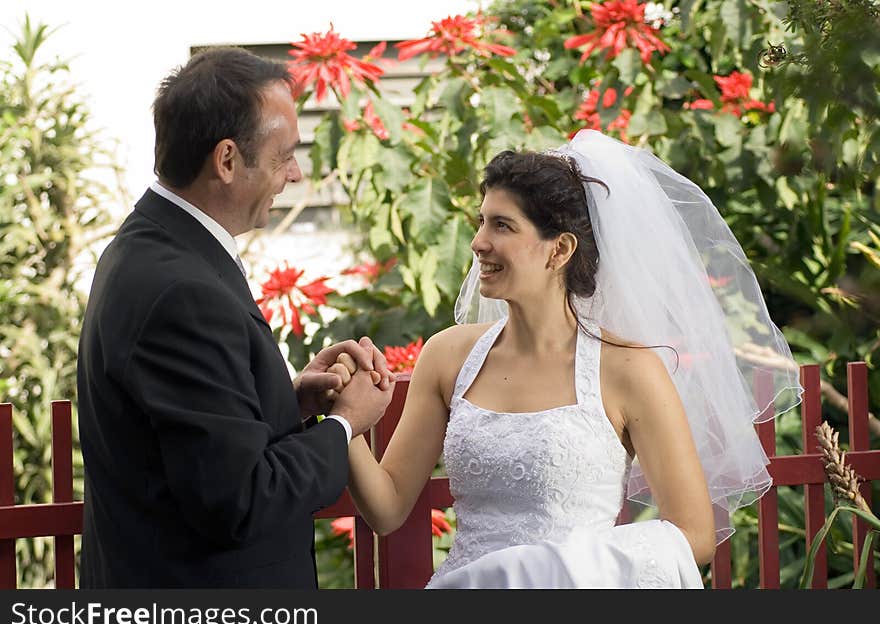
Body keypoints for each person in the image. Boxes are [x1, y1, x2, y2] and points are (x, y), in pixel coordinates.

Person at [334, 129, 802, 588]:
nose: (478, 242)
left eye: (502, 225)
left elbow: (694, 536)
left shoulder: (628, 370)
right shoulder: (448, 355)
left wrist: (539, 574)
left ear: (559, 249)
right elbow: (388, 507)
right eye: (481, 221)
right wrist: (345, 423)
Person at [77, 47, 394, 588]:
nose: (295, 173)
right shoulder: (182, 289)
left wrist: (286, 405)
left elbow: (185, 446)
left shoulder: (150, 246)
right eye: (283, 155)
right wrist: (345, 424)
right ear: (226, 161)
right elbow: (241, 501)